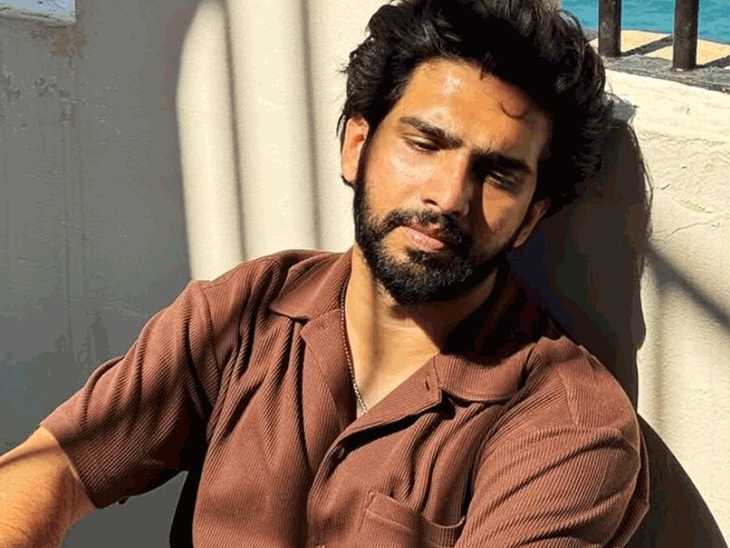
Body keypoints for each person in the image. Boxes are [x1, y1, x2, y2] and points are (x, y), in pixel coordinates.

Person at [0, 0, 649, 546]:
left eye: (498, 173)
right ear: (356, 146)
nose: (449, 196)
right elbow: (49, 470)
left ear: (532, 217)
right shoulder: (248, 309)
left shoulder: (568, 426)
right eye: (425, 143)